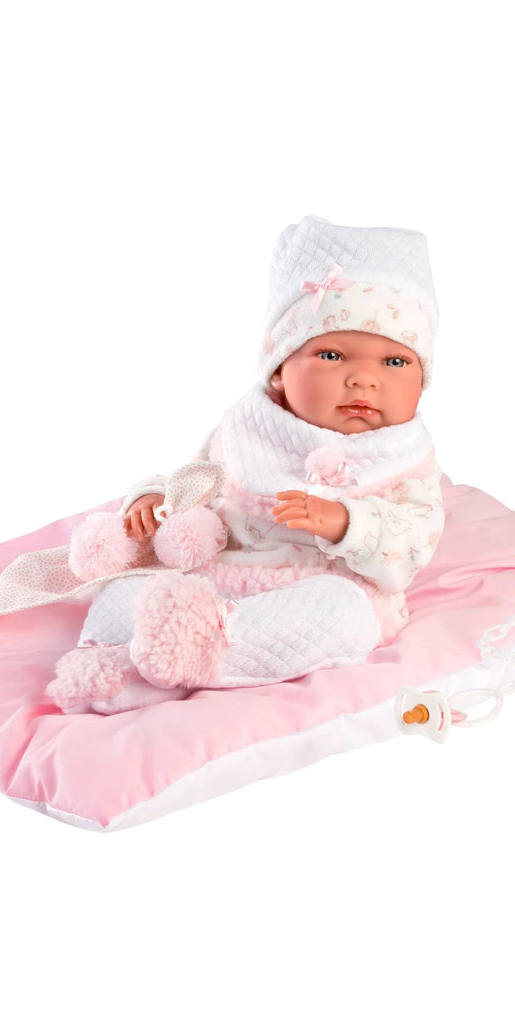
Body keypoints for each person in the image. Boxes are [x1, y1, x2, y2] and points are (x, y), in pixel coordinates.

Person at [46, 214, 446, 714]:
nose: (364, 379)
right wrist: (154, 499)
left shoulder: (404, 457)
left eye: (395, 362)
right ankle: (112, 664)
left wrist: (346, 522)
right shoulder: (250, 427)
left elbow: (416, 537)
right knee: (128, 588)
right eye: (332, 356)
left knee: (343, 615)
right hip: (215, 576)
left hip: (318, 587)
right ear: (279, 370)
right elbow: (198, 482)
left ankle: (183, 660)